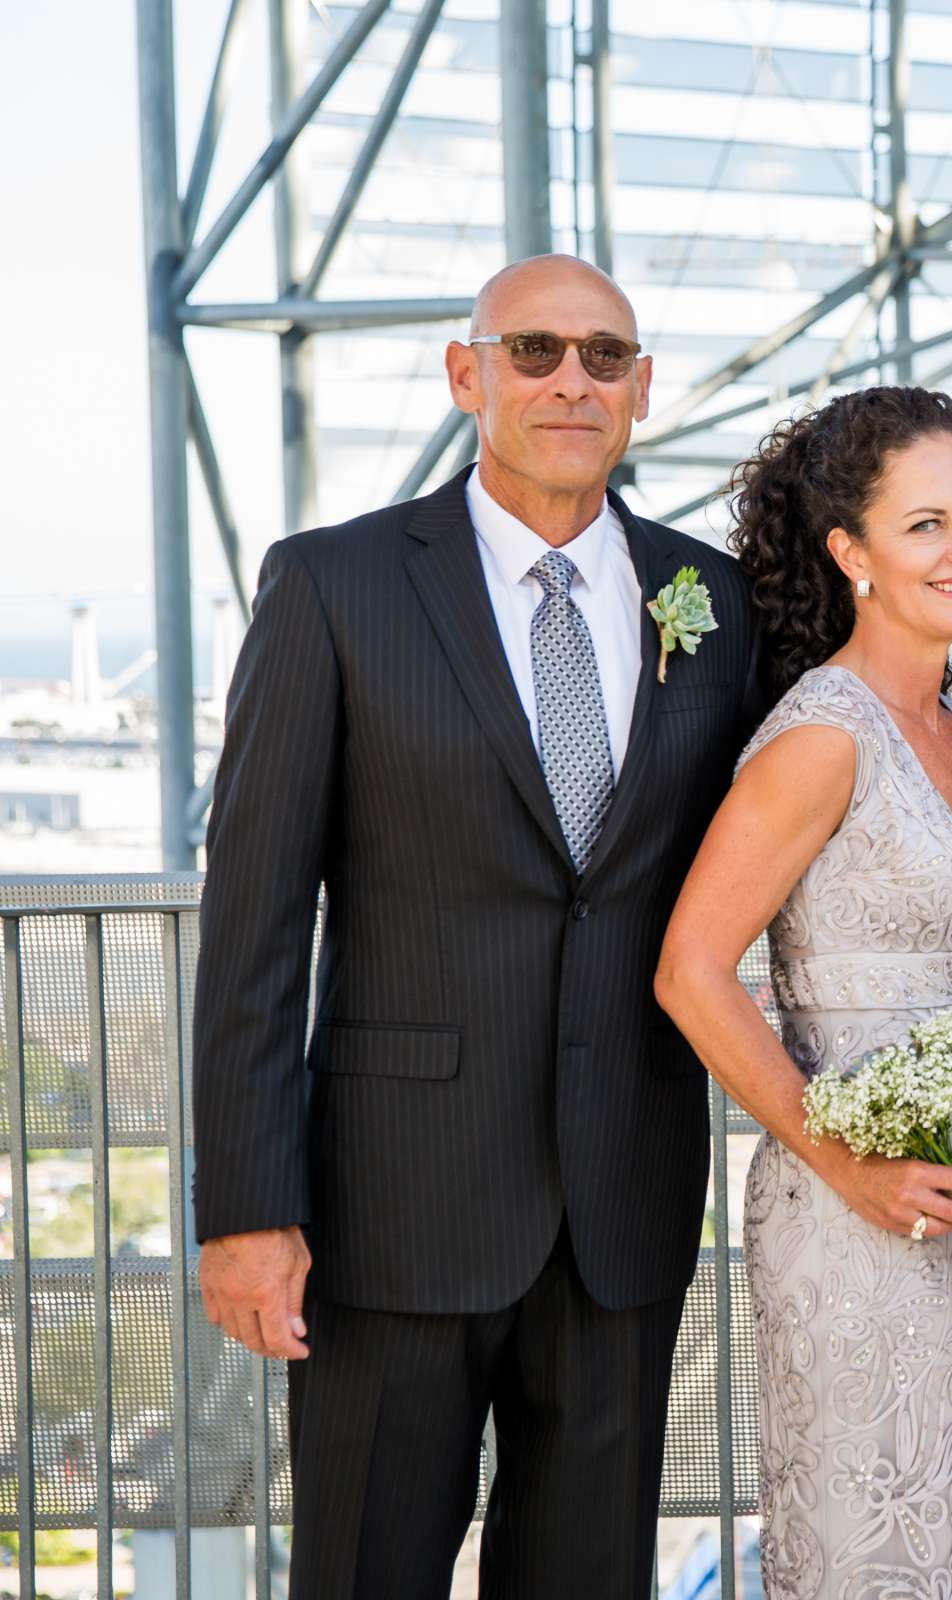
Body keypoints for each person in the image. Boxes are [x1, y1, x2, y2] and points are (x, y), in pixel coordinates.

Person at [192, 255, 759, 1595]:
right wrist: (249, 1208)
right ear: (469, 374)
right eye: (537, 351)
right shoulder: (335, 586)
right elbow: (256, 919)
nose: (573, 381)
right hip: (395, 1208)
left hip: (622, 1203)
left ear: (642, 391)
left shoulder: (715, 601)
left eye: (604, 357)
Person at [654, 386, 952, 1596]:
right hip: (856, 1217)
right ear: (850, 552)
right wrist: (845, 1160)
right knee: (880, 1547)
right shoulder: (824, 734)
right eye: (925, 524)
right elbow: (689, 970)